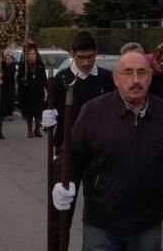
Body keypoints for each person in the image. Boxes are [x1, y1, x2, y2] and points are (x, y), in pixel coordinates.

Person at [51, 51, 163, 250]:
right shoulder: (93, 112)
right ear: (116, 79)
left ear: (150, 77)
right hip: (101, 226)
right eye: (128, 73)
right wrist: (61, 182)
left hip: (147, 225)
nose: (136, 80)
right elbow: (70, 156)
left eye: (142, 72)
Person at [41, 31, 115, 250]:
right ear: (72, 54)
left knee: (99, 212)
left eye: (90, 57)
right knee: (61, 210)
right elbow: (50, 116)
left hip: (99, 154)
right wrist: (47, 122)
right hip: (68, 153)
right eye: (80, 57)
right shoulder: (60, 80)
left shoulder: (107, 79)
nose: (85, 62)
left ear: (96, 54)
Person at [18, 43, 46, 138]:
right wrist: (23, 80)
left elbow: (44, 79)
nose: (32, 56)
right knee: (29, 114)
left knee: (38, 113)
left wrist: (49, 90)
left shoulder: (40, 65)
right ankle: (30, 131)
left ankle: (37, 130)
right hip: (28, 93)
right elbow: (18, 78)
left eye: (33, 54)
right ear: (27, 55)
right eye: (30, 54)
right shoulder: (23, 66)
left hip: (38, 93)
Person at [2, 52, 17, 121]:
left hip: (11, 85)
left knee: (11, 99)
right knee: (5, 99)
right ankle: (4, 113)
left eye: (9, 59)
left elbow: (11, 74)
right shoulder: (3, 66)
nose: (8, 60)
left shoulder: (13, 65)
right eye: (7, 59)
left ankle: (10, 114)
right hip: (5, 85)